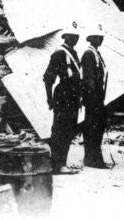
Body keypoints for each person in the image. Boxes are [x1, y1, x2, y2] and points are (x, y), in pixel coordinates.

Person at [43, 27, 83, 174]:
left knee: (69, 130)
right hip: (63, 95)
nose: (75, 39)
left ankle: (62, 163)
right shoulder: (60, 53)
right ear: (65, 37)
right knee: (60, 130)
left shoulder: (74, 53)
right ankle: (56, 165)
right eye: (72, 36)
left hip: (73, 96)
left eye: (77, 36)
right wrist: (49, 99)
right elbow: (48, 77)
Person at [80, 27, 110, 169]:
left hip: (97, 97)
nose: (101, 40)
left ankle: (93, 158)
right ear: (91, 38)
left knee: (97, 128)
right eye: (98, 37)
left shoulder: (96, 53)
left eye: (101, 37)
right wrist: (93, 99)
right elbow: (89, 78)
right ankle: (93, 159)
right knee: (93, 128)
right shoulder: (89, 54)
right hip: (93, 98)